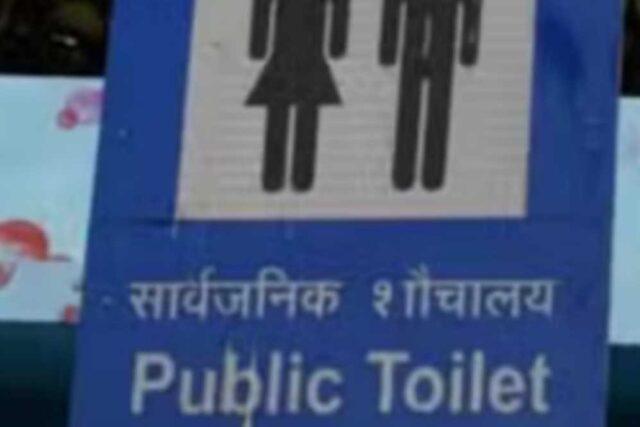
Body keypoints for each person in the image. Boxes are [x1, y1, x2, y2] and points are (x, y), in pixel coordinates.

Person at [246, 0, 350, 193]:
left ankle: (299, 177)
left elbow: (340, 8)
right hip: (287, 52)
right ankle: (275, 177)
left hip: (307, 53)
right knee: (282, 111)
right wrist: (257, 46)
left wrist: (337, 45)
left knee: (303, 114)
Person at [380, 0, 482, 191]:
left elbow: (473, 6)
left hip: (442, 24)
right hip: (418, 22)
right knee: (412, 96)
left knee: (437, 100)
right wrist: (388, 47)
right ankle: (405, 173)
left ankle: (430, 174)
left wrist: (469, 48)